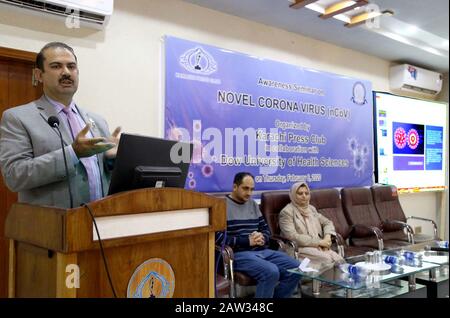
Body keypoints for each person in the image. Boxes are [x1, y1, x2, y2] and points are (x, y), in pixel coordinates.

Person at [0, 42, 121, 208]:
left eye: (71, 66)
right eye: (56, 66)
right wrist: (73, 153)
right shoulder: (17, 118)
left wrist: (111, 161)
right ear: (39, 74)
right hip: (51, 227)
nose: (66, 72)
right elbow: (15, 175)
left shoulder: (97, 120)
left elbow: (100, 174)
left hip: (98, 225)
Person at [216, 172, 301, 298]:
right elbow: (218, 238)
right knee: (271, 272)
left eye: (252, 189)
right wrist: (247, 241)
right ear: (235, 187)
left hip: (262, 251)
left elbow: (266, 229)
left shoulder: (253, 204)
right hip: (239, 255)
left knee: (297, 268)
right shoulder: (221, 205)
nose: (249, 193)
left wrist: (262, 237)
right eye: (245, 188)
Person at [279, 182, 344, 267]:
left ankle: (334, 281)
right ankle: (321, 280)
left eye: (306, 193)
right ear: (293, 195)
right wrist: (319, 242)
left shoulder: (311, 209)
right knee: (328, 260)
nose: (304, 196)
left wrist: (327, 237)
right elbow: (292, 236)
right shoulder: (287, 212)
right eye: (300, 193)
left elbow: (327, 222)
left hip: (318, 247)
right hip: (299, 249)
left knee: (340, 260)